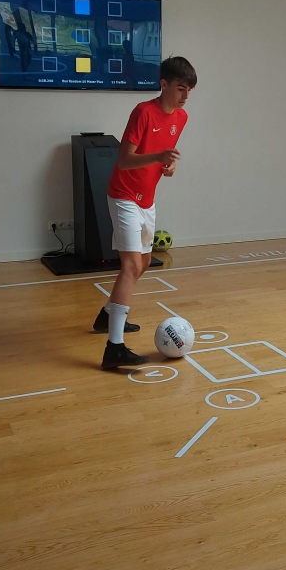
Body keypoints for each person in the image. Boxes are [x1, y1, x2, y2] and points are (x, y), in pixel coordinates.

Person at [94, 56, 197, 370]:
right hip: (124, 195)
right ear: (164, 84)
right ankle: (114, 348)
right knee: (130, 265)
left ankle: (108, 315)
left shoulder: (181, 117)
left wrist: (169, 166)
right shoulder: (143, 112)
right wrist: (157, 156)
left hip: (147, 198)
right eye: (180, 88)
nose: (185, 95)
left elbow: (164, 157)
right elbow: (125, 160)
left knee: (142, 263)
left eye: (189, 90)